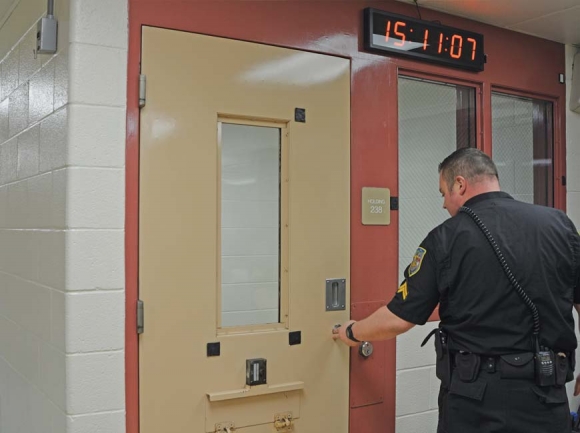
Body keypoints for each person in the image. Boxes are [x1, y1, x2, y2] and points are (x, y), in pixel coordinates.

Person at [333, 148, 580, 433]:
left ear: (460, 184)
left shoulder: (445, 238)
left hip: (475, 401)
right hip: (546, 397)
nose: (443, 204)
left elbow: (400, 317)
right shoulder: (560, 226)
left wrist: (351, 332)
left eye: (443, 193)